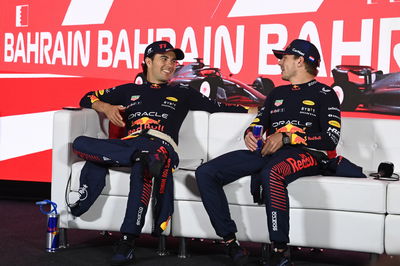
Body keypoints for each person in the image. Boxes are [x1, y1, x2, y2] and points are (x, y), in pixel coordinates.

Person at [69, 40, 249, 266]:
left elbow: (222, 108)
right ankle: (137, 157)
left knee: (143, 165)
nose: (170, 64)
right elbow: (87, 97)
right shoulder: (128, 90)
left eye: (173, 61)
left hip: (161, 147)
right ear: (147, 61)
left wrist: (262, 113)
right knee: (80, 142)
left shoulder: (183, 92)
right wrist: (106, 107)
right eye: (164, 59)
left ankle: (127, 241)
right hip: (131, 145)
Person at [195, 39, 341, 266]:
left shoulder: (326, 93)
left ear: (300, 61)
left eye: (284, 58)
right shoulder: (276, 93)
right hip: (268, 152)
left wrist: (286, 137)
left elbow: (330, 140)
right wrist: (250, 134)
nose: (280, 62)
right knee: (205, 172)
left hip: (308, 154)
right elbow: (259, 122)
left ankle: (280, 252)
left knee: (273, 173)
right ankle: (230, 242)